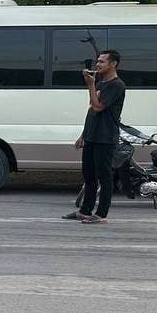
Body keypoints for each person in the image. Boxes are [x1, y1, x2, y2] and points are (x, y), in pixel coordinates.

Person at [64, 49, 126, 224]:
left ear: (113, 64)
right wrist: (83, 134)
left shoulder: (116, 85)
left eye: (102, 62)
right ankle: (85, 211)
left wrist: (90, 85)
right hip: (92, 136)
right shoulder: (101, 84)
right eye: (97, 61)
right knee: (89, 176)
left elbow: (99, 107)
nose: (97, 64)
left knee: (104, 177)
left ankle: (101, 214)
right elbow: (91, 110)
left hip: (105, 138)